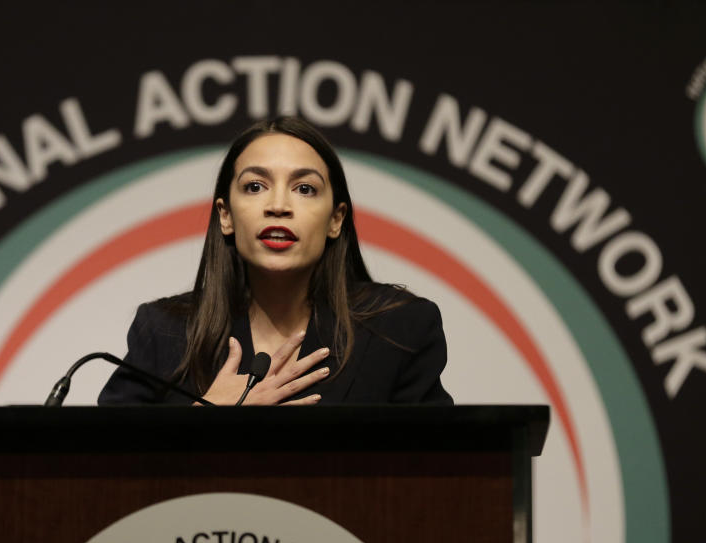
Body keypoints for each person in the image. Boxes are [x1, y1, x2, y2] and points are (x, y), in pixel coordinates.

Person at [98, 117, 452, 406]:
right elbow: (103, 472)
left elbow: (446, 472)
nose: (278, 205)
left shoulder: (399, 330)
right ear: (226, 216)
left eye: (305, 188)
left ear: (336, 219)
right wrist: (204, 421)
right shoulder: (163, 332)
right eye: (255, 186)